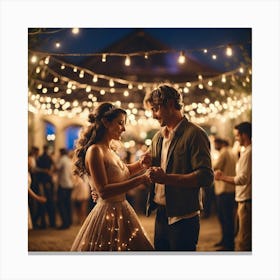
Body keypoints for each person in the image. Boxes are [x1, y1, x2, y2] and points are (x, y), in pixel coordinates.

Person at [70, 102, 154, 251]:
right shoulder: (95, 150)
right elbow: (103, 191)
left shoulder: (109, 149)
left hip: (122, 208)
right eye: (120, 123)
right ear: (105, 122)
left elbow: (123, 171)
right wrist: (140, 179)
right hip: (107, 213)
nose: (124, 128)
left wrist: (141, 164)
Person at [144, 84, 214, 251]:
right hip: (161, 214)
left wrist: (166, 178)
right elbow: (157, 168)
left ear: (169, 104)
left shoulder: (195, 134)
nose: (153, 116)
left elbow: (206, 177)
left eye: (155, 109)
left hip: (184, 216)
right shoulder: (157, 137)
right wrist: (148, 163)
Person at [214, 121, 252, 251]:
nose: (236, 138)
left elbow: (243, 179)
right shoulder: (241, 151)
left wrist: (222, 177)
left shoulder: (248, 153)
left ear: (244, 135)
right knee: (236, 227)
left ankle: (228, 245)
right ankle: (227, 243)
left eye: (237, 135)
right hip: (238, 195)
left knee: (244, 240)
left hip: (243, 197)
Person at [212, 137, 237, 251]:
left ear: (219, 143)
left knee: (224, 218)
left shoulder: (223, 152)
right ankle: (226, 241)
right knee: (228, 218)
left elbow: (214, 167)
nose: (214, 146)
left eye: (215, 143)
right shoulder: (231, 151)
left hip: (223, 189)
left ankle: (228, 244)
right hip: (231, 189)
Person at [56, 148, 74, 229]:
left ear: (61, 153)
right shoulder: (69, 161)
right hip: (69, 184)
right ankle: (69, 222)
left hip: (63, 185)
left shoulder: (62, 160)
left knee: (62, 205)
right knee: (68, 204)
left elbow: (56, 168)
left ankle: (65, 223)